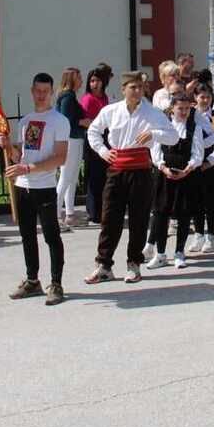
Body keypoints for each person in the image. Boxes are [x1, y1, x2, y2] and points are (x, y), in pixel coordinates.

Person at [85, 72, 178, 284]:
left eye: (140, 87)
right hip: (116, 168)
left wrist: (154, 134)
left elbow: (173, 136)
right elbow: (93, 131)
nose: (137, 91)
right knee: (110, 218)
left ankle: (134, 263)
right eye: (132, 87)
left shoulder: (152, 113)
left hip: (140, 170)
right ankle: (104, 265)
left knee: (139, 218)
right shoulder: (111, 110)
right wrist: (102, 151)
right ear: (123, 89)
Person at [1, 73, 70, 305]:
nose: (41, 95)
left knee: (52, 236)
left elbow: (60, 158)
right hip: (24, 187)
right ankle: (32, 280)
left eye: (45, 91)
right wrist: (7, 146)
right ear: (32, 91)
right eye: (37, 91)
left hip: (45, 186)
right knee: (27, 235)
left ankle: (56, 284)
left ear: (51, 92)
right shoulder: (25, 120)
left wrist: (30, 168)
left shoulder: (59, 120)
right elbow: (18, 156)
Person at [149, 88, 214, 268]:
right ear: (172, 108)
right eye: (180, 108)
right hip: (165, 175)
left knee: (185, 214)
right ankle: (160, 254)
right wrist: (163, 168)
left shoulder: (195, 129)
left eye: (187, 108)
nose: (184, 112)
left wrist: (188, 169)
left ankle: (179, 252)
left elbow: (198, 154)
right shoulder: (162, 127)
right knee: (161, 214)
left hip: (186, 176)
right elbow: (155, 151)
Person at [190, 83, 214, 252]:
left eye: (207, 97)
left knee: (210, 202)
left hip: (211, 165)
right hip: (194, 163)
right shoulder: (191, 115)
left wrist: (210, 161)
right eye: (201, 97)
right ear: (195, 98)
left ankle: (211, 237)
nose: (205, 100)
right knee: (196, 201)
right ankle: (198, 234)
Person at [78, 65, 113, 224]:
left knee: (104, 176)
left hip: (106, 137)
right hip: (93, 138)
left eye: (97, 80)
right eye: (92, 81)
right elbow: (86, 121)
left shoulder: (105, 97)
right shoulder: (88, 99)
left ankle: (103, 209)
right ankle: (93, 211)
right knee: (94, 176)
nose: (94, 84)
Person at [53, 68, 87, 231]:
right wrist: (83, 122)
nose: (81, 80)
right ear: (71, 79)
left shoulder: (70, 96)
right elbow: (67, 120)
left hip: (75, 139)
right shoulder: (67, 97)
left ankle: (70, 214)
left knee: (72, 178)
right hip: (70, 140)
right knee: (66, 177)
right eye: (78, 77)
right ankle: (55, 215)